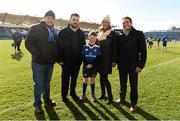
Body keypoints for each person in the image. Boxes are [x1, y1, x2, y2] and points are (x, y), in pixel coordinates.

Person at [25, 10, 57, 114]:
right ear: (44, 18)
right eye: (48, 17)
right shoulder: (35, 28)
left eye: (52, 18)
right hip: (38, 62)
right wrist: (38, 54)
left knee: (47, 83)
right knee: (38, 84)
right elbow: (28, 43)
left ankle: (47, 100)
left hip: (50, 62)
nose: (50, 19)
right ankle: (37, 104)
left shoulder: (53, 30)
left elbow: (55, 46)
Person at [116, 17, 147, 112]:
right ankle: (122, 98)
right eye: (124, 23)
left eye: (127, 22)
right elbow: (117, 51)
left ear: (131, 23)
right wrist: (115, 62)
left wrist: (140, 65)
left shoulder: (138, 34)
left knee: (133, 85)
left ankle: (133, 104)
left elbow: (143, 51)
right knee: (122, 84)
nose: (125, 24)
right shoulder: (119, 35)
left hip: (134, 66)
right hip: (122, 65)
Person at [57, 13, 86, 103]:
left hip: (76, 62)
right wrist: (59, 59)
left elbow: (83, 47)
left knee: (74, 79)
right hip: (65, 62)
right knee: (65, 79)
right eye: (74, 19)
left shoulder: (81, 33)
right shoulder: (63, 31)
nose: (75, 22)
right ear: (70, 20)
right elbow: (58, 46)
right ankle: (64, 96)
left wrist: (81, 59)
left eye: (77, 20)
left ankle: (73, 93)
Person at [97, 15, 117, 104]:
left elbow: (115, 48)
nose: (104, 23)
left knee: (105, 78)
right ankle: (103, 94)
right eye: (103, 22)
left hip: (107, 59)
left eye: (106, 22)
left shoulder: (112, 33)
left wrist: (114, 61)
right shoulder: (99, 32)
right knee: (101, 78)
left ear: (109, 24)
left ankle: (110, 97)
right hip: (99, 59)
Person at [79, 31, 100, 102]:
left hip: (94, 67)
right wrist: (86, 64)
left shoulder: (97, 48)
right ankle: (83, 94)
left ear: (96, 38)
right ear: (88, 37)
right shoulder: (84, 47)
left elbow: (98, 58)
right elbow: (82, 56)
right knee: (85, 80)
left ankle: (92, 95)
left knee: (92, 80)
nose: (92, 39)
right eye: (91, 37)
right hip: (86, 66)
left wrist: (92, 64)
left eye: (94, 38)